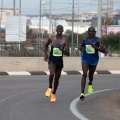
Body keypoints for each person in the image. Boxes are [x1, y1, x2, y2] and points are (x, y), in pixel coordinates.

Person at [44, 25, 70, 102]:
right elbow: (46, 46)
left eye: (60, 29)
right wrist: (46, 54)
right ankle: (49, 88)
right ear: (56, 30)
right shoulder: (51, 39)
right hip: (52, 59)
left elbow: (68, 53)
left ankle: (54, 93)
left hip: (59, 61)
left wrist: (61, 49)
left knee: (57, 78)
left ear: (62, 30)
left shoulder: (65, 41)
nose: (59, 30)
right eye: (58, 29)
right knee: (51, 74)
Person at [79, 27, 106, 101]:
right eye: (90, 31)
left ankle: (90, 83)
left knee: (90, 75)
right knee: (84, 74)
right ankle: (82, 93)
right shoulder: (85, 39)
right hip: (85, 59)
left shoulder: (98, 39)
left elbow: (103, 50)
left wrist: (94, 47)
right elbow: (81, 46)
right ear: (88, 32)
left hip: (94, 60)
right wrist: (81, 48)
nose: (91, 33)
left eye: (93, 31)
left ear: (95, 32)